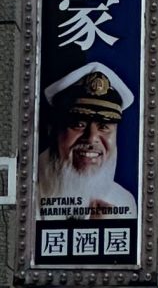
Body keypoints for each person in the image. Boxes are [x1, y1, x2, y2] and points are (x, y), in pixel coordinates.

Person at [36, 61, 138, 217]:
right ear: (53, 129)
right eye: (79, 124)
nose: (91, 138)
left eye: (104, 126)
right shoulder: (23, 191)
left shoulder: (123, 201)